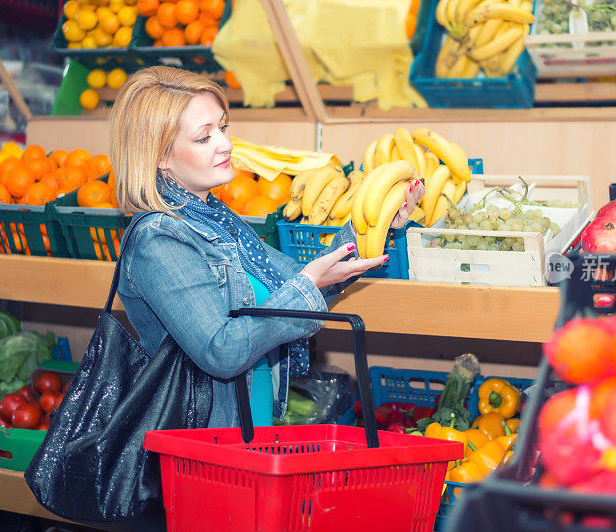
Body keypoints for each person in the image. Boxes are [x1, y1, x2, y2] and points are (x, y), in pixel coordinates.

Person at [108, 66, 424, 428]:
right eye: (203, 137)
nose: (225, 144)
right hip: (205, 439)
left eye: (223, 128)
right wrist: (306, 284)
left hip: (250, 423)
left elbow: (292, 284)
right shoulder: (160, 239)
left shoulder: (215, 217)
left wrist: (374, 225)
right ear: (160, 156)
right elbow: (221, 350)